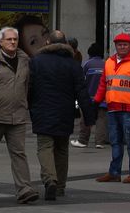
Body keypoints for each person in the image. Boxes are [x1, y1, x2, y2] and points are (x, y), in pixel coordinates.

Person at [29, 31, 94, 201]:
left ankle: (50, 179)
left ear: (48, 42)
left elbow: (29, 87)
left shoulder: (36, 61)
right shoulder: (73, 64)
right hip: (65, 112)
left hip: (42, 111)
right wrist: (88, 115)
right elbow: (82, 91)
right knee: (62, 149)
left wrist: (28, 106)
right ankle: (60, 187)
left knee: (45, 146)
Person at [0, 26, 38, 204]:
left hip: (18, 116)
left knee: (19, 154)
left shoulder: (24, 60)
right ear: (0, 42)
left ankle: (24, 189)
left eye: (15, 39)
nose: (12, 42)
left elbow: (27, 85)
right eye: (9, 39)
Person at [94, 33, 130, 183]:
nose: (122, 47)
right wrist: (96, 101)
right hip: (113, 108)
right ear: (116, 46)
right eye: (119, 44)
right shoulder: (108, 62)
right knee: (115, 141)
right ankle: (114, 172)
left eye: (125, 44)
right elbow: (103, 84)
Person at [71, 42, 108, 148]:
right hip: (102, 98)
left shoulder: (87, 64)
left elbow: (81, 80)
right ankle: (100, 142)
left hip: (89, 98)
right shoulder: (106, 64)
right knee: (101, 120)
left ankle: (83, 140)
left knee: (86, 119)